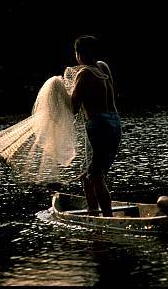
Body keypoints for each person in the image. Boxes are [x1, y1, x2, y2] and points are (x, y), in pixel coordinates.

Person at [70, 35, 122, 217]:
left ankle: (107, 217)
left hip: (98, 126)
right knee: (88, 173)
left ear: (79, 54)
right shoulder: (103, 66)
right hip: (115, 123)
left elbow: (74, 108)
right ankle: (93, 212)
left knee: (95, 174)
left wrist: (61, 96)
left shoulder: (83, 74)